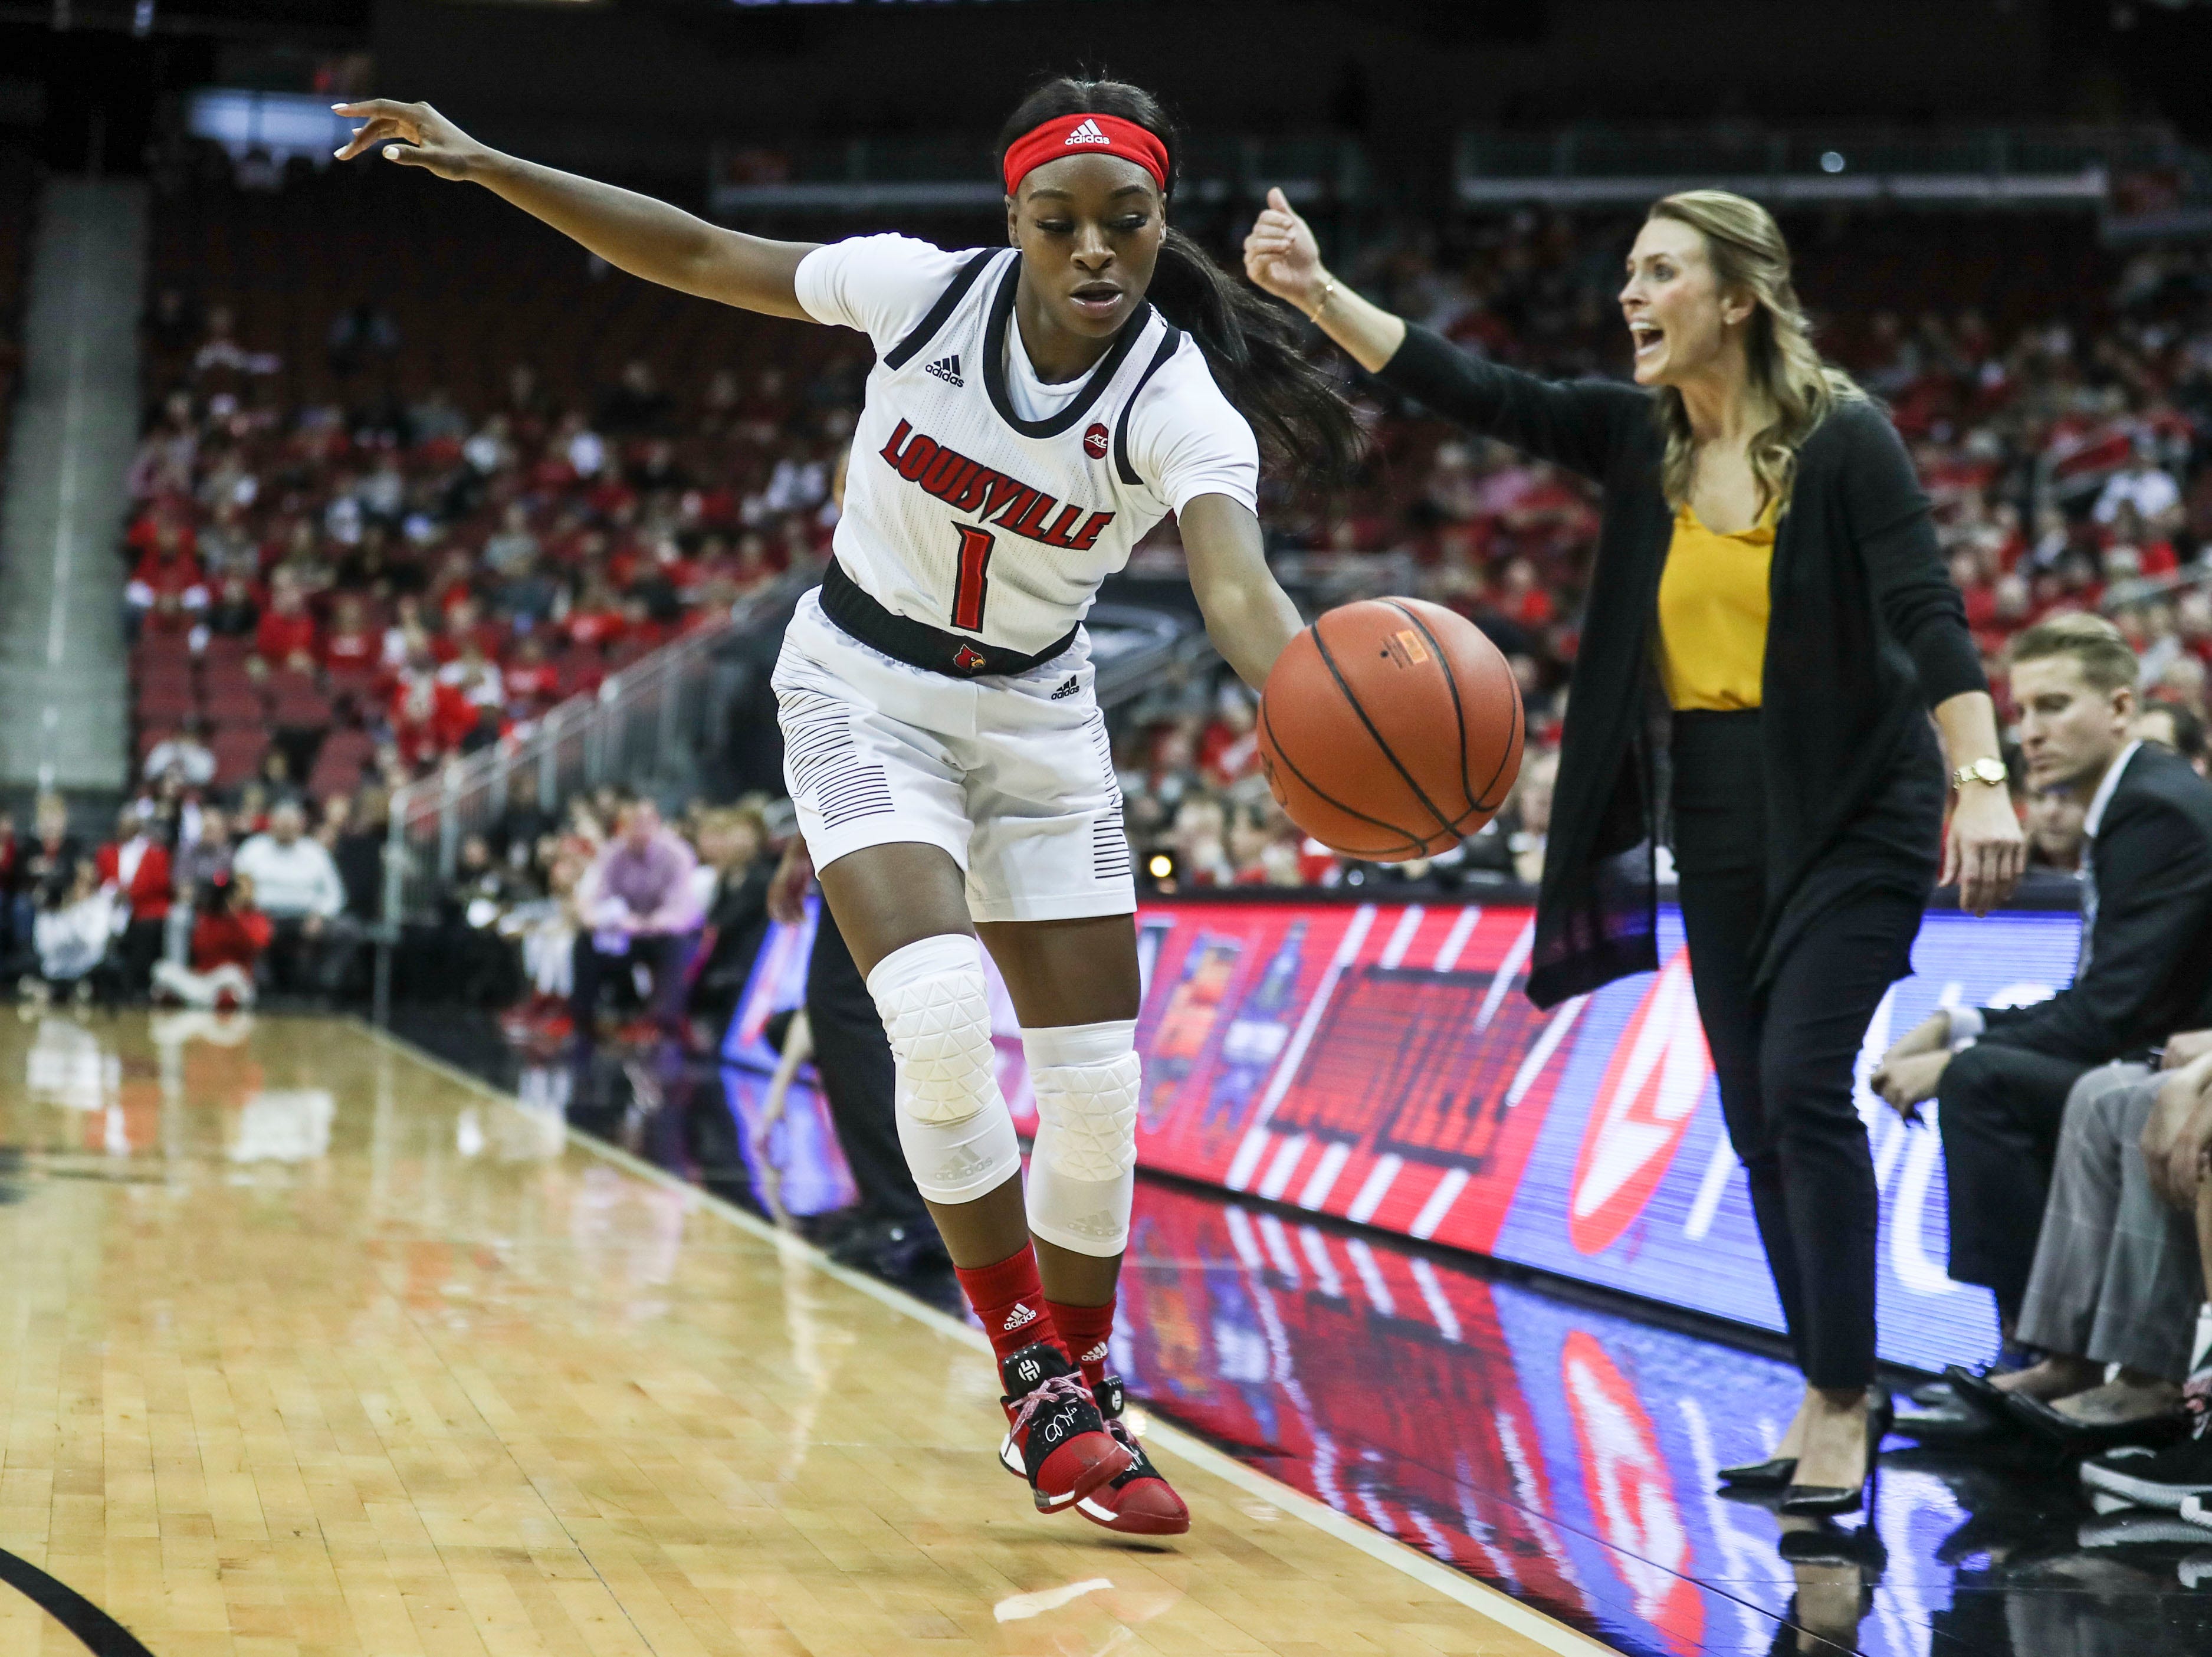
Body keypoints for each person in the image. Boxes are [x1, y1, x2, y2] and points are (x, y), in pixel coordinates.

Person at [337, 69, 1358, 1536]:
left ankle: (1076, 1385)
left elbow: (1236, 588)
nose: (1090, 252)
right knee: (936, 1015)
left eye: (1121, 225)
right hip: (858, 686)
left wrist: (1315, 694)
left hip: (1036, 717)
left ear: (1156, 226)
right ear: (1010, 218)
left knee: (1096, 1091)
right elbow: (691, 252)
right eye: (1057, 221)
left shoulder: (1180, 403)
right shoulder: (919, 293)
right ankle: (1025, 1367)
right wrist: (493, 160)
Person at [1244, 186, 2023, 1521]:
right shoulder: (1635, 438)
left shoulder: (1841, 442)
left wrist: (1983, 777)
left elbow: (1926, 615)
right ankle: (1826, 1377)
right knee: (1748, 1108)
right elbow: (1473, 386)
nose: (1628, 297)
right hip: (1711, 801)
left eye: (1657, 273)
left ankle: (1838, 1395)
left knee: (1797, 1083)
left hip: (1850, 797)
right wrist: (1316, 295)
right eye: (1625, 272)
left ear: (1735, 299)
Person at [1875, 614, 2212, 1387]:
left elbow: (2107, 1015)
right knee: (1993, 1071)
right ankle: (2046, 1350)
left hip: (2170, 1062)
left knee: (1982, 1083)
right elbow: (2101, 1000)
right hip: (2153, 1055)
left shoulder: (2151, 807)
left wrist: (1963, 1054)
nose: (2028, 731)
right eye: (2020, 711)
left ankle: (2033, 1348)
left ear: (2120, 709)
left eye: (2054, 706)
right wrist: (1959, 1021)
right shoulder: (2131, 800)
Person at [571, 798, 704, 1041]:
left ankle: (666, 1025)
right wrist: (596, 917)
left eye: (644, 822)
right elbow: (597, 899)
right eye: (631, 823)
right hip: (627, 932)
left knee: (674, 945)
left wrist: (642, 924)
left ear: (657, 823)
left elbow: (680, 913)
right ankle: (584, 1020)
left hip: (664, 933)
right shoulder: (612, 854)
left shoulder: (676, 854)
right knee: (585, 942)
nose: (638, 829)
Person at [230, 800, 351, 995]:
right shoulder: (253, 849)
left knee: (347, 930)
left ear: (301, 826)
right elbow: (238, 888)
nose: (286, 830)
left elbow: (336, 894)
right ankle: (259, 988)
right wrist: (250, 911)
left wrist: (320, 916)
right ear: (271, 824)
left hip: (306, 919)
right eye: (282, 824)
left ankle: (322, 989)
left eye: (291, 825)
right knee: (239, 929)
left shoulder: (315, 852)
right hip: (262, 917)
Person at [152, 870, 270, 1010]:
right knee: (163, 970)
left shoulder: (254, 917)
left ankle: (197, 1000)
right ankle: (188, 998)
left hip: (231, 980)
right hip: (202, 981)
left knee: (231, 975)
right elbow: (199, 948)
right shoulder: (205, 917)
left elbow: (256, 945)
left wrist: (234, 919)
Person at [94, 805, 174, 998]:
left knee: (145, 929)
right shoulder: (107, 852)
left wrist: (130, 893)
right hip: (112, 907)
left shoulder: (155, 853)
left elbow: (160, 884)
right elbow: (102, 880)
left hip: (145, 909)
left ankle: (135, 986)